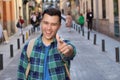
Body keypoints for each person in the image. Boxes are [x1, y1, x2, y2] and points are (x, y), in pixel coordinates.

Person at [17, 8, 76, 80]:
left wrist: (68, 50)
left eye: (53, 24)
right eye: (46, 23)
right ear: (41, 22)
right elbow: (21, 75)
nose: (48, 28)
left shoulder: (62, 45)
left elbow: (71, 52)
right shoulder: (29, 47)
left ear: (59, 26)